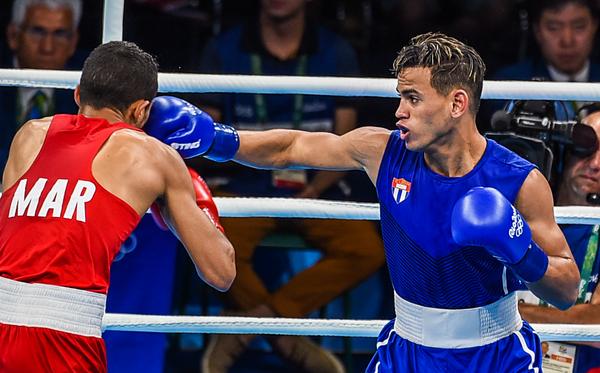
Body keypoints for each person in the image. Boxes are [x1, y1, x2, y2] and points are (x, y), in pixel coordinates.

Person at [149, 32, 583, 372]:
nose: (399, 111)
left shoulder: (518, 180)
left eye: (412, 98)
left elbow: (566, 289)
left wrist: (519, 249)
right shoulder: (382, 152)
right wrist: (219, 140)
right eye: (400, 97)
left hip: (496, 355)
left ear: (457, 103)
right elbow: (292, 147)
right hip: (407, 352)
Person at [0, 41, 236, 373]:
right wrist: (196, 194)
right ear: (141, 110)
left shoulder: (28, 135)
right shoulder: (152, 156)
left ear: (78, 94)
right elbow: (220, 272)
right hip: (62, 337)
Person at [194, 0, 385, 371]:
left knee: (367, 249)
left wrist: (315, 189)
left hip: (317, 190)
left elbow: (349, 139)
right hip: (244, 187)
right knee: (207, 235)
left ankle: (255, 325)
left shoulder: (336, 52)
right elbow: (208, 137)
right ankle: (286, 333)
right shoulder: (224, 48)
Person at [517, 108, 600, 373]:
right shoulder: (511, 209)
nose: (596, 163)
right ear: (564, 147)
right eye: (586, 146)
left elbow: (597, 324)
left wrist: (511, 316)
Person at [480, 0, 600, 131]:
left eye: (579, 26)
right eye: (553, 28)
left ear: (594, 26)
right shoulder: (510, 84)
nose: (567, 40)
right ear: (537, 31)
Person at [0, 0, 84, 175]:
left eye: (60, 34)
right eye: (37, 32)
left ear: (73, 41)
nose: (47, 47)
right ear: (13, 35)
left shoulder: (88, 91)